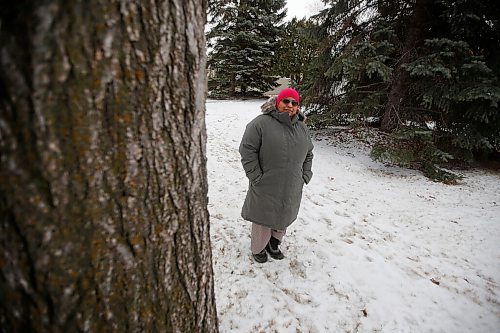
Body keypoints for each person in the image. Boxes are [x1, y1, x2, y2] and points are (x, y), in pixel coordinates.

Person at [239, 88, 314, 263]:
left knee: (284, 214)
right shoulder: (260, 123)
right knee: (263, 216)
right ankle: (258, 248)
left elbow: (309, 153)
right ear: (277, 102)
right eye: (286, 101)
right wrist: (256, 176)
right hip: (266, 182)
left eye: (294, 103)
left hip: (292, 184)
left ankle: (274, 244)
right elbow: (247, 150)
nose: (290, 106)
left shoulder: (301, 127)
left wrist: (306, 174)